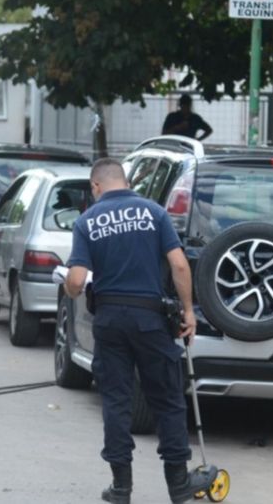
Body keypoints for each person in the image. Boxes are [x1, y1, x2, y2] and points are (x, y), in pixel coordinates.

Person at [63, 158, 217, 504]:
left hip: (110, 321)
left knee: (116, 402)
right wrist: (189, 312)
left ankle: (121, 488)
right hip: (151, 321)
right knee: (167, 400)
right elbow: (178, 264)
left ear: (95, 187)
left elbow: (75, 280)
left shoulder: (87, 221)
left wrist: (71, 290)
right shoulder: (155, 213)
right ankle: (179, 487)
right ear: (126, 180)